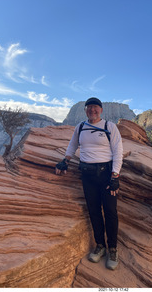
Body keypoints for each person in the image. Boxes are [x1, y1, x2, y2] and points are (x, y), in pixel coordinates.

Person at [55, 97, 123, 271]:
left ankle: (113, 249)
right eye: (89, 108)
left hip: (107, 175)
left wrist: (115, 176)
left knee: (110, 211)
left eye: (95, 108)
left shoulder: (110, 127)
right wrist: (65, 160)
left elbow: (118, 151)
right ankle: (100, 245)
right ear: (85, 110)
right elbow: (72, 145)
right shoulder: (80, 127)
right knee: (94, 211)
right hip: (87, 176)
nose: (92, 110)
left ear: (101, 110)